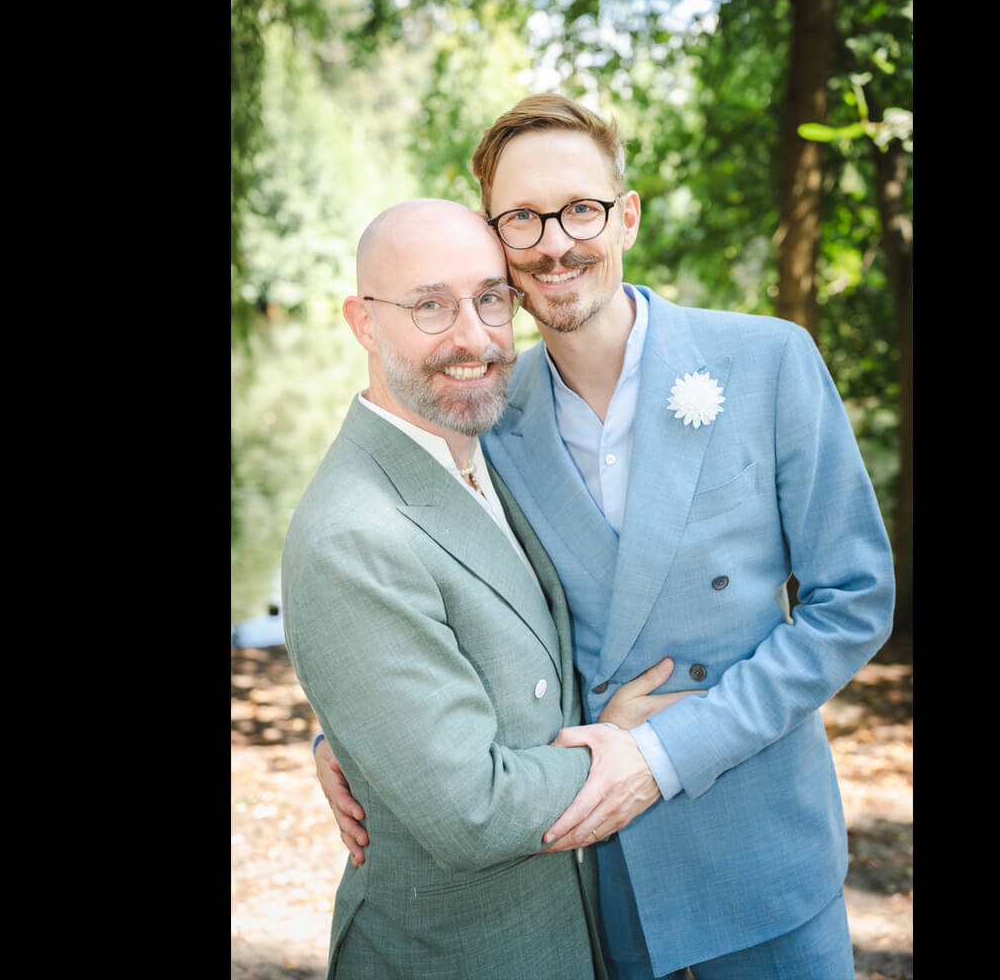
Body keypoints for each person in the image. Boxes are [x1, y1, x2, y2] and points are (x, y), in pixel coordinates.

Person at [314, 96, 897, 979]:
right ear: (495, 237)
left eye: (579, 208)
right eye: (522, 219)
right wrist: (345, 732)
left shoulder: (769, 361)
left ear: (625, 215)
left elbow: (853, 602)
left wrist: (667, 755)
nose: (554, 242)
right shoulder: (486, 414)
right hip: (602, 876)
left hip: (763, 851)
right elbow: (411, 573)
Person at [281, 198, 621, 979]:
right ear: (363, 323)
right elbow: (472, 810)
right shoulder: (352, 536)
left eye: (491, 298)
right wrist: (629, 750)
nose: (473, 338)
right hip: (449, 955)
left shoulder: (486, 445)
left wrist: (352, 737)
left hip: (559, 938)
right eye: (430, 305)